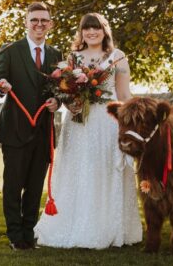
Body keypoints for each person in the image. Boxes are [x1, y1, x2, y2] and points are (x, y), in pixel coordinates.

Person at [34, 13, 142, 249]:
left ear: (105, 31)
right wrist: (69, 102)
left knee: (104, 169)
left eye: (96, 28)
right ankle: (75, 225)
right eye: (86, 29)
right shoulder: (72, 57)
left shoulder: (118, 57)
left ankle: (109, 227)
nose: (91, 32)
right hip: (78, 122)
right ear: (81, 32)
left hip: (107, 122)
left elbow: (124, 95)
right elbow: (63, 91)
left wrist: (130, 123)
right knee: (78, 170)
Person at [0, 2, 63, 250]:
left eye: (44, 20)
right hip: (15, 130)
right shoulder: (10, 50)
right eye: (34, 20)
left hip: (43, 131)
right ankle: (14, 235)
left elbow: (60, 90)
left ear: (50, 24)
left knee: (34, 187)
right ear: (26, 22)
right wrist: (2, 85)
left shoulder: (56, 55)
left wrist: (58, 101)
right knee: (13, 186)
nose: (39, 24)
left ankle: (28, 233)